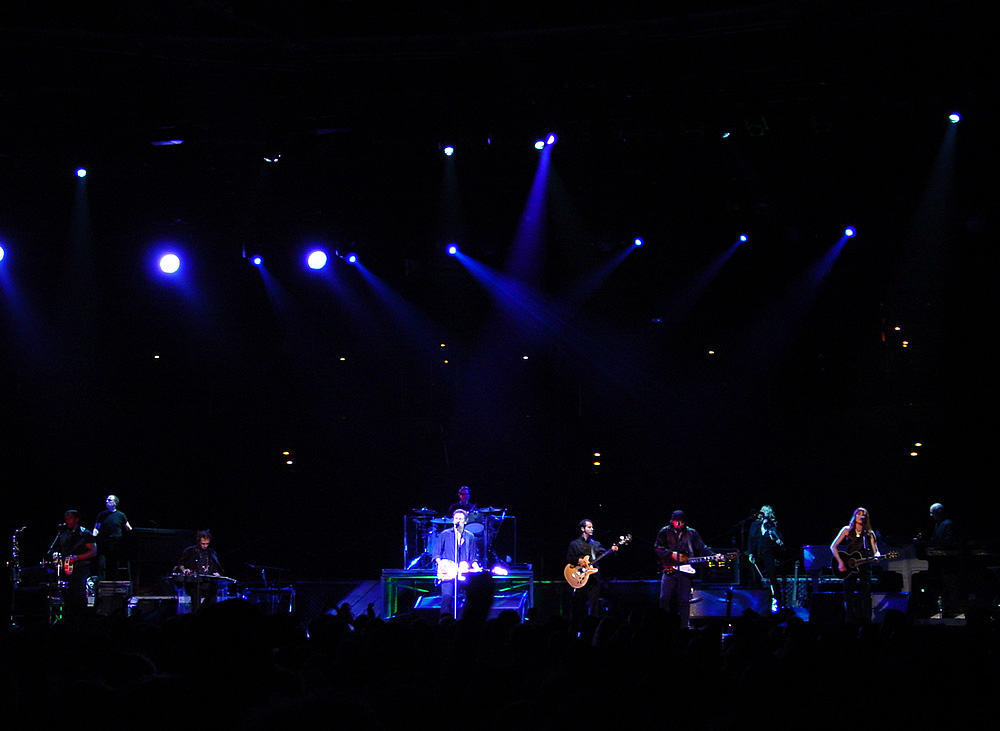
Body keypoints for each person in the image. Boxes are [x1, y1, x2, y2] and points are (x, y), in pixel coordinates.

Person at [654, 510, 722, 628]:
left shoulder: (691, 533)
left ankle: (684, 627)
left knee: (684, 600)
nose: (678, 525)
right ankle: (662, 626)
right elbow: (657, 548)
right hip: (669, 570)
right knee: (664, 598)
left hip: (685, 571)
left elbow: (702, 547)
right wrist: (671, 554)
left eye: (680, 522)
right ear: (671, 521)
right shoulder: (664, 531)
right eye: (676, 522)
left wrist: (714, 555)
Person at [566, 519, 617, 632]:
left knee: (594, 604)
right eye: (589, 527)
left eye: (592, 527)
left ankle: (592, 628)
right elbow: (569, 558)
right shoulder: (574, 544)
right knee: (578, 604)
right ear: (582, 529)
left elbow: (605, 556)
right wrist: (578, 560)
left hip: (593, 577)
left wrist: (611, 551)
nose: (592, 529)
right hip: (580, 577)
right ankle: (576, 628)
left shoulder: (596, 544)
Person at [830, 507, 880, 623]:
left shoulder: (868, 533)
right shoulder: (847, 529)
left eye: (863, 514)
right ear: (855, 516)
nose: (860, 516)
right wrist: (841, 562)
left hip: (864, 564)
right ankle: (850, 619)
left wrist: (877, 555)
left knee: (866, 592)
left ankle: (866, 619)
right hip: (849, 565)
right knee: (849, 592)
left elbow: (875, 550)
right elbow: (833, 546)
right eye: (858, 514)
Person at [432, 509, 480, 617]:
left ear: (466, 521)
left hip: (463, 571)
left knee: (468, 598)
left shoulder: (470, 537)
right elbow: (436, 554)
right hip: (447, 571)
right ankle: (444, 622)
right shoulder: (445, 534)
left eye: (461, 519)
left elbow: (472, 557)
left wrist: (476, 567)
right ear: (453, 520)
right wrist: (441, 565)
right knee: (447, 597)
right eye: (456, 519)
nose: (458, 521)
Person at [53, 510, 98, 618]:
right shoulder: (63, 535)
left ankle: (80, 617)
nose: (67, 521)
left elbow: (93, 551)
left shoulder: (84, 533)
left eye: (70, 518)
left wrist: (77, 558)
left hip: (80, 569)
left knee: (78, 595)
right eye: (66, 519)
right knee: (66, 595)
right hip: (66, 570)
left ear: (76, 519)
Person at [175, 530, 224, 612]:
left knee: (211, 605)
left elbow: (214, 567)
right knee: (196, 607)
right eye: (203, 544)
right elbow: (180, 564)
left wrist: (216, 573)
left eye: (207, 544)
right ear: (198, 541)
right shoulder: (190, 551)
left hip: (208, 583)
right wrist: (185, 570)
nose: (205, 546)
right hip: (195, 583)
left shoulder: (211, 552)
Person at [748, 505, 784, 612]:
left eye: (767, 511)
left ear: (770, 513)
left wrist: (770, 530)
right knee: (756, 578)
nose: (764, 512)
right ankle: (757, 601)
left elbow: (774, 538)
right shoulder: (755, 524)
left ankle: (777, 600)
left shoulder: (772, 525)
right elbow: (750, 539)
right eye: (763, 510)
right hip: (756, 553)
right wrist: (751, 554)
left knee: (772, 576)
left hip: (767, 553)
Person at [93, 494, 132, 581]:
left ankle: (113, 584)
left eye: (109, 500)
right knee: (101, 564)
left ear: (115, 502)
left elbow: (128, 528)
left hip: (116, 542)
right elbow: (96, 528)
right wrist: (94, 537)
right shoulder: (102, 515)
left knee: (114, 564)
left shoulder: (121, 515)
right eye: (106, 500)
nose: (107, 502)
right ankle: (101, 584)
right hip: (104, 542)